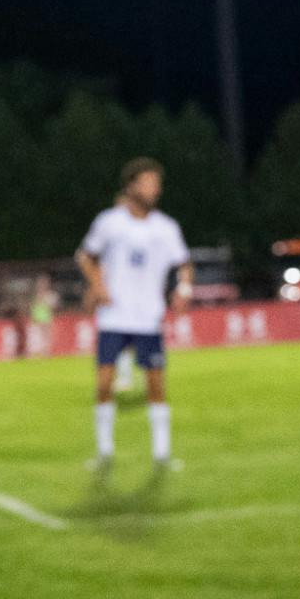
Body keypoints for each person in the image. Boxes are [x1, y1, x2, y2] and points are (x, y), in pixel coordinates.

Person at [75, 157, 193, 470]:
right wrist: (98, 285)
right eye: (148, 182)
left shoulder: (166, 227)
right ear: (131, 185)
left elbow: (185, 264)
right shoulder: (109, 222)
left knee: (156, 384)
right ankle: (104, 452)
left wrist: (183, 290)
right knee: (103, 383)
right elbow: (85, 256)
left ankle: (162, 454)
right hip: (114, 316)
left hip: (148, 318)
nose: (155, 189)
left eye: (157, 183)